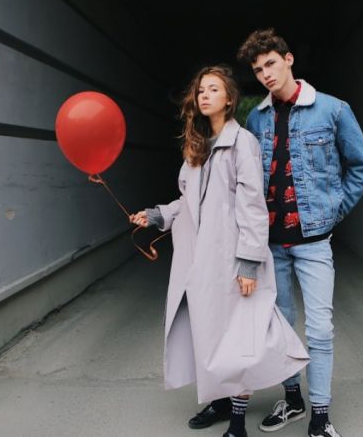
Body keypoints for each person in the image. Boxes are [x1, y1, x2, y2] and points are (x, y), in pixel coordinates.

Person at [130, 65, 309, 437]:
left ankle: (240, 423)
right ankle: (222, 401)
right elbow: (187, 201)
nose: (204, 95)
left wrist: (247, 263)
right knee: (209, 336)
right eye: (200, 91)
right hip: (200, 262)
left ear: (229, 99)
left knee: (242, 339)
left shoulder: (242, 143)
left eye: (213, 89)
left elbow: (253, 208)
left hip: (233, 260)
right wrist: (156, 216)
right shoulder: (197, 148)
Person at [235, 28, 363, 437]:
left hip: (314, 243)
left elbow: (361, 165)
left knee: (319, 329)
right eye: (258, 70)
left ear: (289, 59)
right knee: (280, 326)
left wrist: (333, 213)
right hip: (271, 245)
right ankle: (292, 399)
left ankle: (321, 416)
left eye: (271, 64)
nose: (265, 75)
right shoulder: (257, 117)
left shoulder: (332, 110)